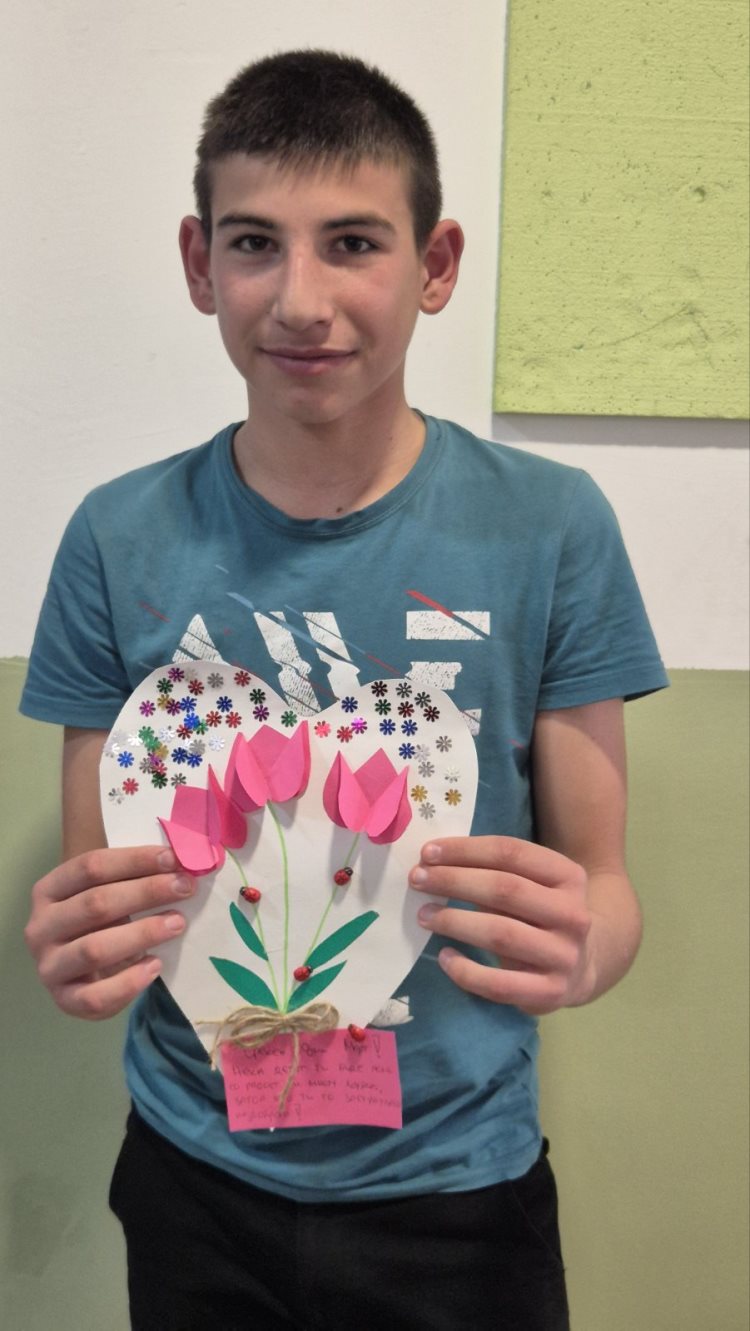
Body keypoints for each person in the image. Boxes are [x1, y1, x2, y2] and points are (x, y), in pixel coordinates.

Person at [21, 49, 668, 1331]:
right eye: (255, 243)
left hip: (459, 1188)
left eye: (354, 243)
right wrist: (81, 951)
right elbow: (109, 887)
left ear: (436, 264)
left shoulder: (550, 524)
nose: (300, 299)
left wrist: (585, 947)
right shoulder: (115, 536)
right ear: (201, 262)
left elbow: (602, 885)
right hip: (195, 1174)